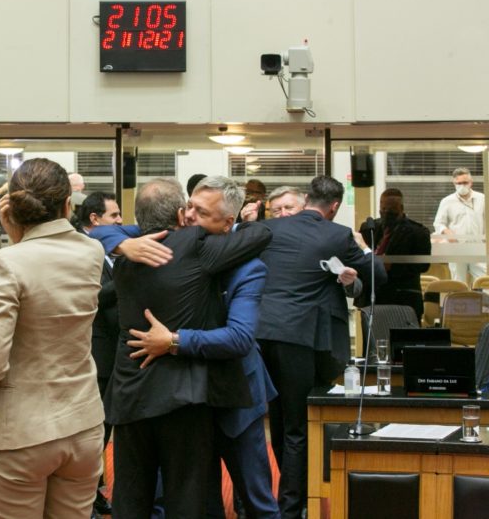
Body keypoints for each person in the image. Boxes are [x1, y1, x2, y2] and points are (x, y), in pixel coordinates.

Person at [94, 176, 280, 518]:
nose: (192, 217)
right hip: (184, 395)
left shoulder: (135, 253)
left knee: (254, 500)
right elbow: (261, 233)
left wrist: (175, 341)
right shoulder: (166, 245)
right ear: (180, 212)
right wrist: (122, 244)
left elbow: (240, 337)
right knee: (189, 499)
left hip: (227, 390)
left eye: (201, 211)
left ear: (228, 221)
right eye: (190, 207)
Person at [0, 158, 106, 519]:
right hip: (82, 425)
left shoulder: (6, 261)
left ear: (14, 209)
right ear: (68, 205)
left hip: (18, 433)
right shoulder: (91, 252)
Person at [256, 175, 387, 519]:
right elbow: (378, 275)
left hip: (260, 334)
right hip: (299, 338)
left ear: (306, 200)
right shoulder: (337, 235)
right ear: (334, 207)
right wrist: (365, 245)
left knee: (276, 418)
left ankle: (276, 496)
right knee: (298, 425)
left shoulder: (269, 229)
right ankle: (291, 506)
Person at [73, 191, 122, 517]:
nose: (120, 221)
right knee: (90, 434)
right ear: (95, 220)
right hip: (94, 354)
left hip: (112, 355)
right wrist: (126, 276)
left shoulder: (110, 250)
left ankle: (95, 493)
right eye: (114, 215)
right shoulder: (79, 249)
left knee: (102, 432)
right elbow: (90, 297)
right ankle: (84, 500)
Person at [358, 188, 430, 320]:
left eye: (391, 209)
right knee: (373, 339)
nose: (386, 213)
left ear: (401, 208)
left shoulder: (418, 232)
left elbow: (423, 265)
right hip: (373, 297)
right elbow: (359, 256)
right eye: (383, 208)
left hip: (403, 298)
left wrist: (393, 266)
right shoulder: (370, 228)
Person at [433, 167, 486, 281]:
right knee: (458, 283)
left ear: (471, 182)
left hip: (478, 247)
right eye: (459, 183)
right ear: (454, 183)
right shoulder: (447, 201)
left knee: (484, 282)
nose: (462, 186)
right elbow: (438, 223)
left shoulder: (482, 199)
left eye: (465, 182)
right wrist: (447, 233)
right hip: (456, 248)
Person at [241, 185, 306, 221]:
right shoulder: (266, 234)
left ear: (303, 208)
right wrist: (249, 222)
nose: (283, 214)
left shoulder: (314, 231)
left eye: (288, 208)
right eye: (276, 211)